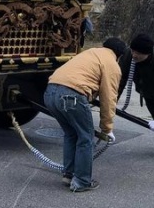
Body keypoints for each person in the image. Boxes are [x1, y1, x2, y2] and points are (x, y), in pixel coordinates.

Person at [43, 38, 124, 192]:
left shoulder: (90, 53)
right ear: (119, 56)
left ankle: (69, 174)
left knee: (71, 134)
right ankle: (81, 181)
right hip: (72, 95)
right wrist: (107, 128)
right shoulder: (112, 64)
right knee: (85, 138)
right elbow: (109, 97)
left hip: (50, 93)